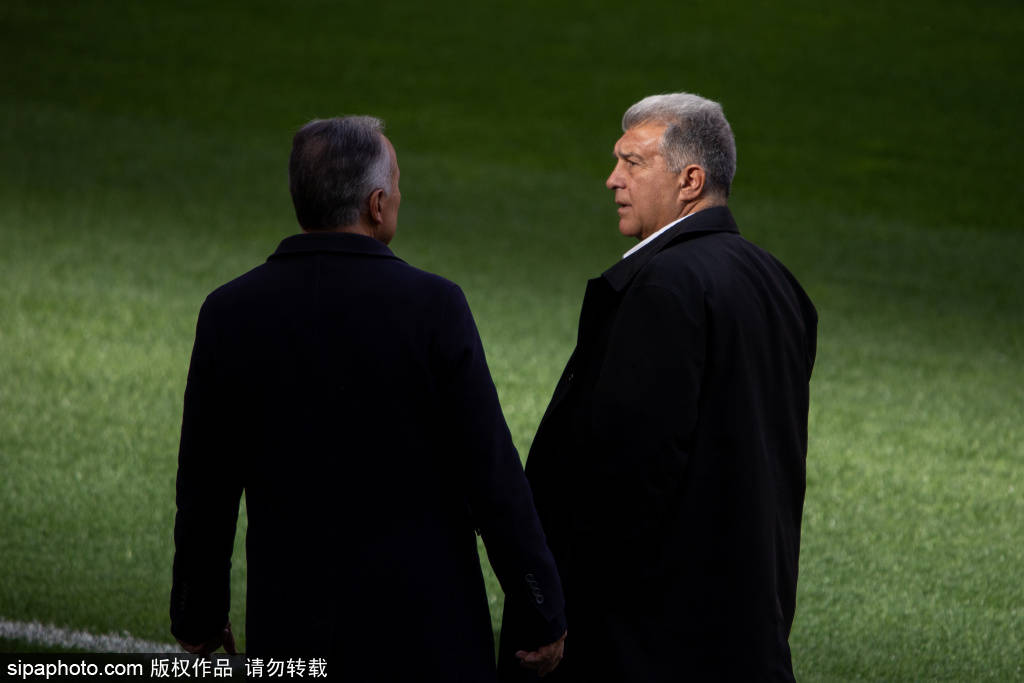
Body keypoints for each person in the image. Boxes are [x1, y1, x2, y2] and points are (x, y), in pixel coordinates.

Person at [171, 116, 567, 680]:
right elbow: (491, 475)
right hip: (427, 638)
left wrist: (197, 615)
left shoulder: (229, 312)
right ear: (377, 205)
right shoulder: (434, 307)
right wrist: (540, 607)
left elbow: (206, 487)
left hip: (292, 632)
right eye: (398, 185)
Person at [498, 93, 818, 681]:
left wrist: (555, 609)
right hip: (747, 623)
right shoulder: (779, 284)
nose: (612, 179)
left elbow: (625, 473)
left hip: (650, 637)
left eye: (633, 163)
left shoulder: (663, 284)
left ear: (690, 180)